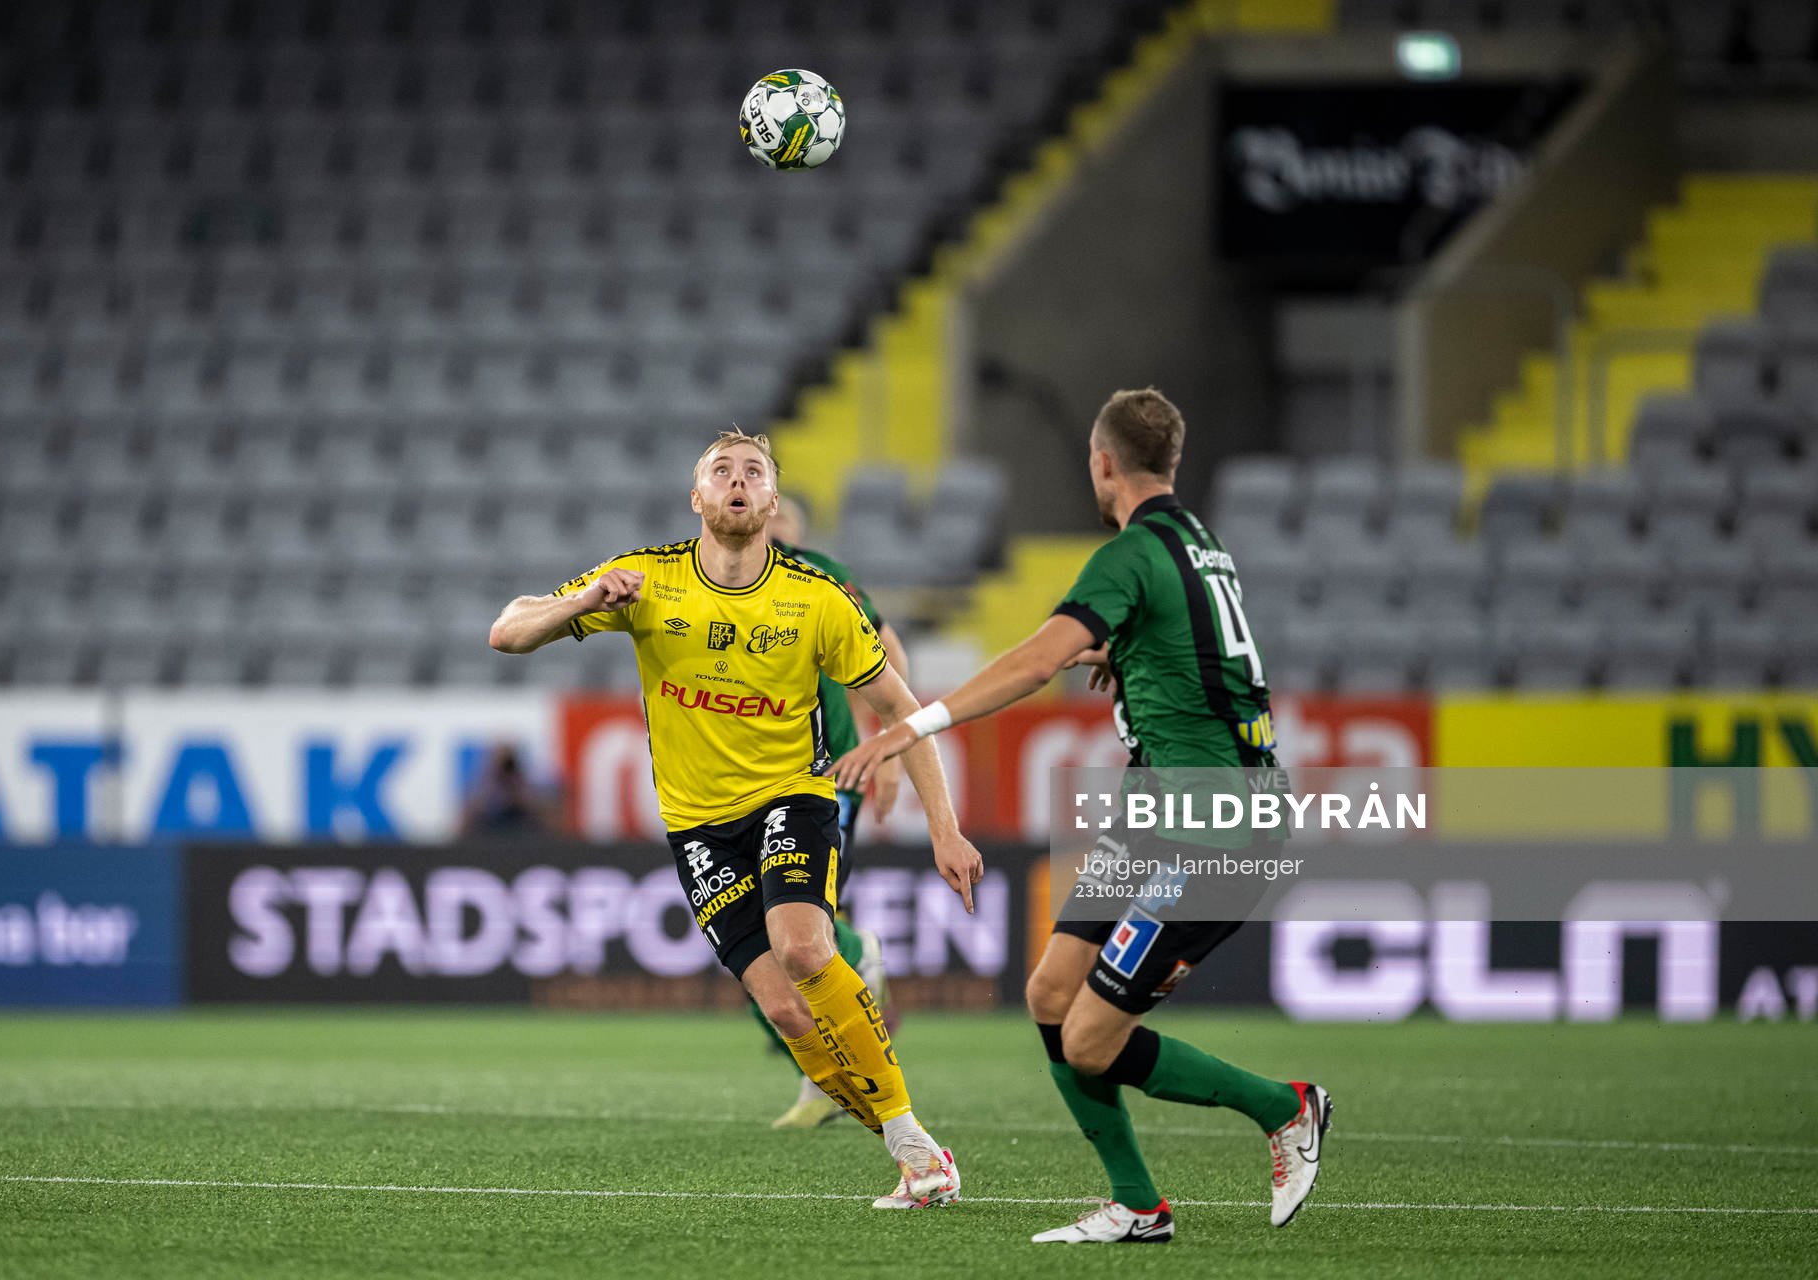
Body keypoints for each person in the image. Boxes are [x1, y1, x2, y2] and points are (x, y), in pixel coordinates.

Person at [834, 389, 1330, 1242]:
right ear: (1169, 461)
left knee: (1092, 1039)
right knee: (1051, 994)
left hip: (1214, 828)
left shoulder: (1130, 555)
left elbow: (1035, 663)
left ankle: (1284, 1108)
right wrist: (1125, 652)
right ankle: (1138, 1206)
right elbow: (1194, 651)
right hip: (1167, 811)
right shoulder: (1202, 546)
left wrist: (911, 723)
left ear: (1102, 463)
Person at [489, 430, 982, 1209]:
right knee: (785, 1010)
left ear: (773, 502)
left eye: (754, 471)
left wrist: (945, 829)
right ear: (699, 499)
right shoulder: (647, 579)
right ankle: (914, 1149)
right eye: (722, 470)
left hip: (795, 794)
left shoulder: (816, 596)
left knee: (802, 949)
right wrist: (583, 602)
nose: (738, 481)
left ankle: (915, 1144)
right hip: (697, 827)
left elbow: (902, 708)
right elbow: (508, 630)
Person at [760, 494, 909, 1130]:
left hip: (826, 772)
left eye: (784, 520)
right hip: (745, 781)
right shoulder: (711, 588)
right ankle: (820, 1076)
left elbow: (885, 651)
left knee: (799, 932)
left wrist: (891, 754)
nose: (777, 532)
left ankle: (853, 950)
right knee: (762, 950)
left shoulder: (815, 572)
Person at [457, 742, 560, 837]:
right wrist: (489, 789)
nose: (505, 770)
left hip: (524, 837)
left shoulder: (525, 786)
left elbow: (549, 823)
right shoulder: (483, 787)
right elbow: (465, 825)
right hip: (489, 839)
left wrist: (519, 791)